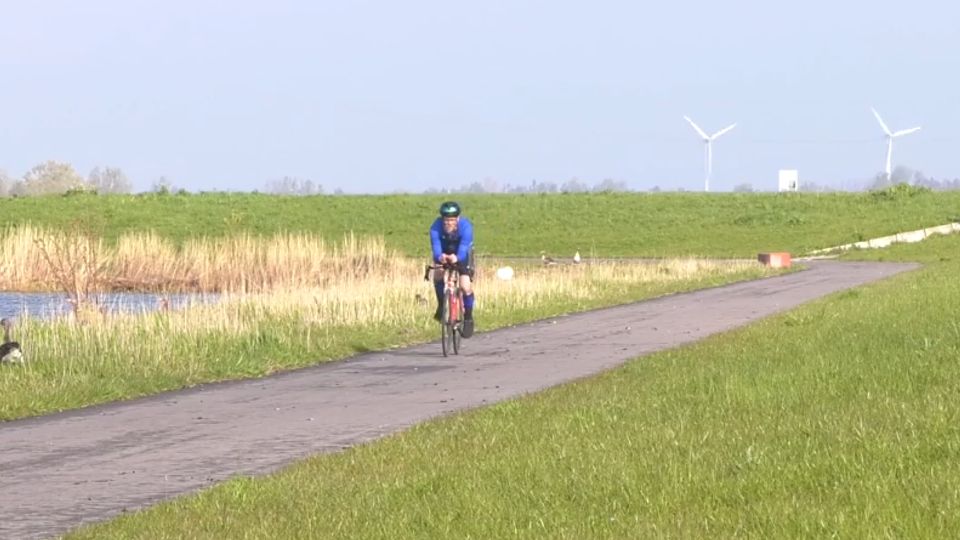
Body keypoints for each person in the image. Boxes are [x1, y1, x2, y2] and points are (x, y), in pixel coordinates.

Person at [429, 201, 476, 338]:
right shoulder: (435, 227)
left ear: (458, 219)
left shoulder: (466, 227)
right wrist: (440, 256)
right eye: (446, 220)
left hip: (462, 253)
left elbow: (464, 247)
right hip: (444, 251)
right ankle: (441, 305)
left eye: (452, 220)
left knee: (465, 286)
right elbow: (436, 245)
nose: (449, 223)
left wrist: (457, 257)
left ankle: (468, 316)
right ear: (442, 219)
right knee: (438, 274)